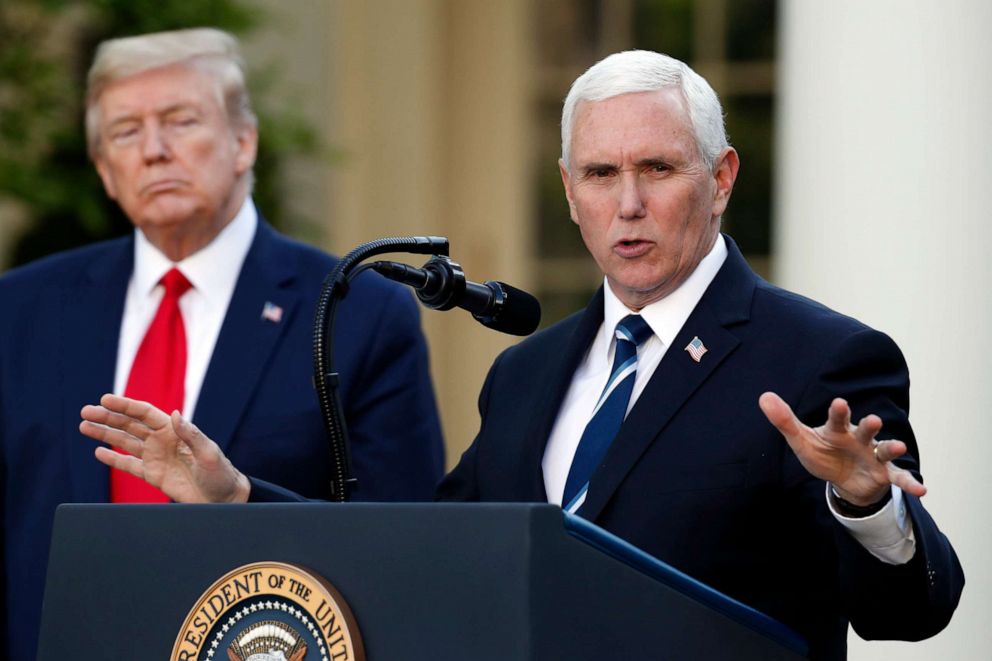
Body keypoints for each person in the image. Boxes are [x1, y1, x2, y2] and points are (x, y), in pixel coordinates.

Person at [80, 50, 963, 659]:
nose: (626, 204)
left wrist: (865, 501)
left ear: (721, 178)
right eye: (599, 174)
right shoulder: (527, 373)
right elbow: (429, 553)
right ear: (569, 190)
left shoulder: (822, 358)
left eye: (656, 169)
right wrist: (237, 495)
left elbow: (912, 613)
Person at [0, 27, 444, 661]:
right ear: (104, 170)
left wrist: (243, 499)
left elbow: (407, 544)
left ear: (244, 142)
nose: (153, 150)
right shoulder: (19, 312)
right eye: (126, 132)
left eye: (180, 121)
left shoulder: (355, 311)